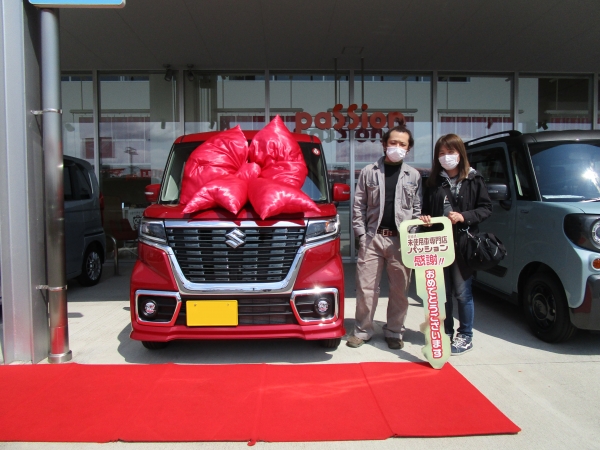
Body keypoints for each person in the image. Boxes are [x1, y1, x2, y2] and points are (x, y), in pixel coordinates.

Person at [347, 124, 422, 349]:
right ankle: (363, 330)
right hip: (372, 238)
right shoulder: (369, 172)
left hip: (401, 240)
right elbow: (358, 206)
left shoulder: (413, 175)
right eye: (393, 143)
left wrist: (412, 236)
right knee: (366, 288)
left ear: (408, 149)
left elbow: (416, 209)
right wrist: (361, 235)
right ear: (384, 144)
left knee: (400, 290)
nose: (397, 147)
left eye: (402, 144)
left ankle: (394, 331)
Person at [419, 134, 492, 355]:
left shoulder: (474, 179)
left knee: (462, 292)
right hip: (439, 245)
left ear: (460, 154)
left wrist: (464, 216)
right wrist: (425, 219)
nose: (446, 157)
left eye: (450, 152)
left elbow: (486, 208)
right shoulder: (432, 182)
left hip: (463, 245)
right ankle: (446, 331)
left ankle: (466, 335)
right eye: (441, 153)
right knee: (443, 293)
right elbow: (425, 210)